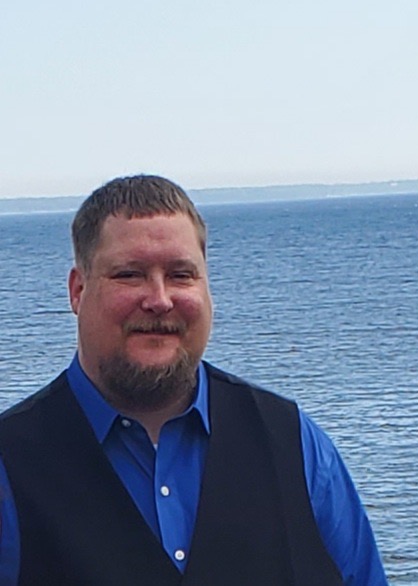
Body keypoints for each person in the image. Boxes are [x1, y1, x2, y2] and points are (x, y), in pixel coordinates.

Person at [0, 175, 388, 585]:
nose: (159, 299)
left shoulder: (295, 445)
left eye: (181, 275)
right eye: (130, 274)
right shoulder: (11, 463)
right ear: (78, 290)